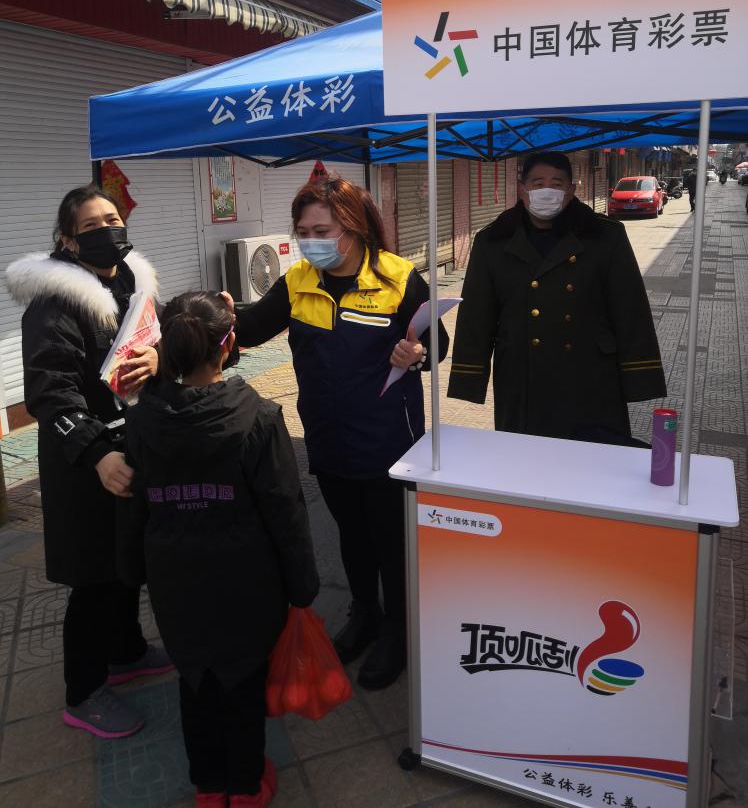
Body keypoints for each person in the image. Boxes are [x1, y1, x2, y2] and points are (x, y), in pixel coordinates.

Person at [229, 176, 449, 691]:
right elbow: (250, 330)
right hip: (327, 437)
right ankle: (365, 613)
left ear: (353, 227)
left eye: (321, 230)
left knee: (390, 539)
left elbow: (439, 342)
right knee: (352, 534)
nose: (311, 241)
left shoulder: (399, 277)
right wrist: (210, 318)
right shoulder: (298, 280)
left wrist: (416, 353)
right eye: (303, 232)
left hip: (388, 438)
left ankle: (398, 629)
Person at [120, 292, 319, 807]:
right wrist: (302, 587)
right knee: (243, 684)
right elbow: (285, 510)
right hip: (247, 583)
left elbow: (134, 509)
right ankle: (246, 785)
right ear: (228, 345)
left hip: (174, 581)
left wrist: (131, 570)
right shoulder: (258, 418)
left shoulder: (141, 423)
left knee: (195, 679)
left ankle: (208, 786)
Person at [5, 184, 172, 738]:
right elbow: (49, 394)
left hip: (128, 443)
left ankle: (125, 652)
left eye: (113, 218)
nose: (108, 229)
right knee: (94, 577)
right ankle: (82, 692)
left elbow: (150, 342)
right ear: (69, 241)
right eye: (92, 225)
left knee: (125, 561)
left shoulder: (129, 282)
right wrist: (97, 454)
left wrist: (158, 357)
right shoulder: (55, 303)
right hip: (83, 459)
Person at [447, 153, 666, 445]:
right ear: (521, 189)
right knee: (527, 456)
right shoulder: (494, 240)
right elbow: (476, 315)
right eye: (538, 183)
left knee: (592, 457)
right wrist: (468, 377)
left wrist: (641, 377)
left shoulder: (605, 235)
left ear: (571, 190)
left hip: (590, 374)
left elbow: (630, 309)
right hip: (522, 375)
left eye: (557, 183)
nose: (547, 191)